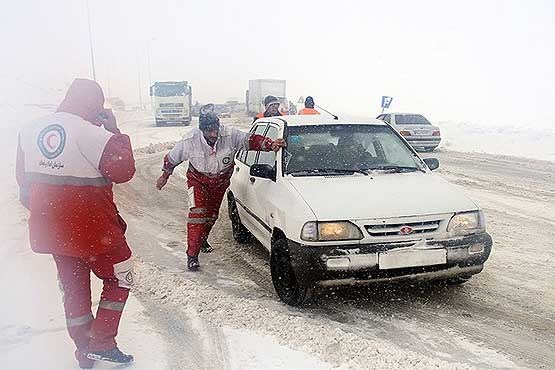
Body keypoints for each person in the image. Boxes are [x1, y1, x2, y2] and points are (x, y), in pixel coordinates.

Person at [16, 79, 136, 368]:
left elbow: (23, 186)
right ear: (96, 105)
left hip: (53, 230)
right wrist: (114, 130)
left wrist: (53, 214)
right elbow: (124, 170)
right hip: (95, 230)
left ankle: (84, 351)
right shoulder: (93, 134)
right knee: (122, 275)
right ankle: (102, 342)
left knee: (73, 287)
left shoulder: (28, 131)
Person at [156, 105, 285, 271]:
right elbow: (171, 159)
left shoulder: (230, 134)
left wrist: (270, 144)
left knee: (211, 215)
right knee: (197, 214)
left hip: (220, 181)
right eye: (210, 131)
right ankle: (192, 254)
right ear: (202, 130)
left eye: (216, 129)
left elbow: (250, 140)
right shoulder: (189, 141)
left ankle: (202, 239)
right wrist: (164, 176)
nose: (214, 134)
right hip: (198, 180)